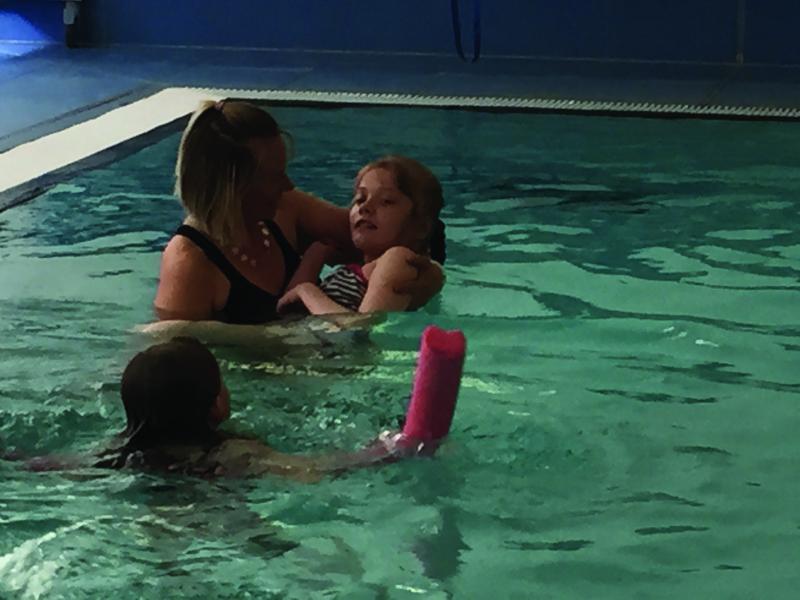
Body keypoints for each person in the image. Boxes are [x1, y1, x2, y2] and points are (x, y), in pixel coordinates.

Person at [154, 100, 443, 325]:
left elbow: (396, 235)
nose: (288, 184)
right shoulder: (189, 264)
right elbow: (180, 367)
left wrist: (429, 274)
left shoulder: (286, 207)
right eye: (273, 176)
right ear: (232, 188)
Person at [93, 337, 408, 479]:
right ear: (216, 404)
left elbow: (56, 465)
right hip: (214, 514)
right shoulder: (234, 453)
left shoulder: (119, 454)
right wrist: (387, 449)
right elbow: (313, 469)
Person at [276, 155, 446, 315]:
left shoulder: (397, 259)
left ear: (421, 227)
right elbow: (288, 307)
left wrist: (308, 292)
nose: (365, 207)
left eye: (386, 201)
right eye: (360, 199)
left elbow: (362, 329)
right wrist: (316, 254)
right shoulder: (362, 269)